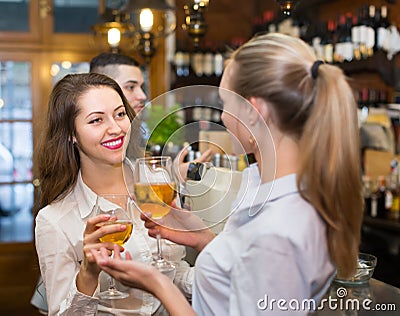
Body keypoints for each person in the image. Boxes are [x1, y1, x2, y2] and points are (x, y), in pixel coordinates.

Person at [91, 33, 364, 315]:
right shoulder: (269, 190)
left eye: (225, 103)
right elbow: (248, 273)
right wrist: (203, 237)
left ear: (252, 111)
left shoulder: (278, 232)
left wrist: (158, 284)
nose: (220, 117)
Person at [34, 73, 193, 316]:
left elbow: (176, 271)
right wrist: (88, 274)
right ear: (71, 134)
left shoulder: (158, 182)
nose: (116, 128)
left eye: (120, 114)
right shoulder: (54, 221)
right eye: (96, 120)